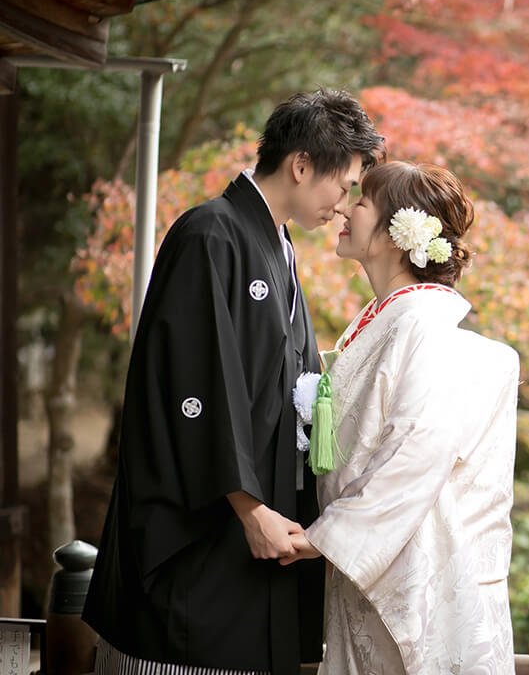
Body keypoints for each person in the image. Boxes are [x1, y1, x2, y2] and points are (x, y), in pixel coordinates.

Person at [83, 88, 385, 675]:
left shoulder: (277, 246)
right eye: (344, 185)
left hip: (254, 530)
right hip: (207, 527)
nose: (345, 205)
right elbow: (193, 386)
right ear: (301, 165)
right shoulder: (210, 234)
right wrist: (248, 507)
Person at [282, 161, 519, 675]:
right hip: (371, 557)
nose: (344, 207)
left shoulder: (424, 324)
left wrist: (325, 536)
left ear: (398, 233)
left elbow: (418, 447)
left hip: (406, 559)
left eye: (361, 201)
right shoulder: (391, 316)